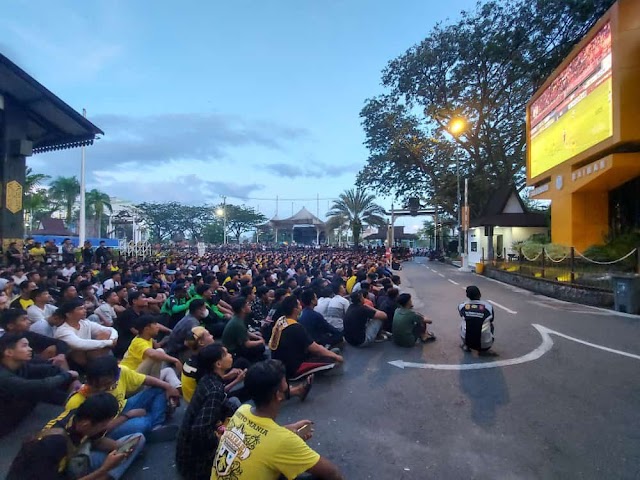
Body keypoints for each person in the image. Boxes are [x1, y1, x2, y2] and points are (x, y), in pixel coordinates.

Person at [211, 359, 344, 480]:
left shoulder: (242, 411)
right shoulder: (283, 441)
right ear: (278, 395)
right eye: (285, 382)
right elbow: (332, 473)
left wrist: (287, 430)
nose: (288, 385)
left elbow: (259, 438)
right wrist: (288, 438)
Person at [7, 392, 145, 480]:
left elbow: (96, 440)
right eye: (103, 424)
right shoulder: (51, 445)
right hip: (48, 474)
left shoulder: (81, 416)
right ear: (86, 424)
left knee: (138, 438)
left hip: (71, 463)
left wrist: (119, 449)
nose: (105, 427)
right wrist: (105, 468)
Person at [63, 355, 181, 441]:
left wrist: (169, 387)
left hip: (124, 406)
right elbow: (91, 433)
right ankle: (151, 422)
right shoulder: (77, 401)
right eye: (97, 385)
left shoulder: (121, 372)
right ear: (89, 380)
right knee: (141, 423)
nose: (103, 388)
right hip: (106, 429)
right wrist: (128, 416)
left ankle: (156, 425)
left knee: (159, 388)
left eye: (107, 383)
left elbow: (145, 379)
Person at [175, 344, 238, 480]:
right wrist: (221, 440)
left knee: (235, 405)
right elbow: (199, 430)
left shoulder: (207, 378)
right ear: (218, 364)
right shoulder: (215, 390)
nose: (230, 355)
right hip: (194, 463)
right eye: (226, 353)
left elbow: (223, 405)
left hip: (184, 452)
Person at [0, 333, 79, 437]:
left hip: (15, 409)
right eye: (24, 346)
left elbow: (49, 369)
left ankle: (74, 401)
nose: (30, 349)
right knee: (38, 389)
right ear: (9, 352)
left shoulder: (20, 365)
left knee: (47, 384)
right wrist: (68, 375)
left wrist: (71, 378)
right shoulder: (3, 376)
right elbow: (40, 386)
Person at [270, 295, 343, 380]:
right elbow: (315, 348)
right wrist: (336, 357)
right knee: (332, 360)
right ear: (295, 310)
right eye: (299, 305)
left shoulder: (280, 321)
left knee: (328, 352)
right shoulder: (295, 327)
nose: (301, 307)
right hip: (292, 369)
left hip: (279, 365)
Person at [181, 326, 247, 403]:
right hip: (202, 402)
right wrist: (237, 380)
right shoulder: (202, 366)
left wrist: (227, 376)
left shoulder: (194, 359)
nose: (212, 336)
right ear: (201, 343)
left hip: (199, 393)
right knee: (246, 391)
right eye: (209, 335)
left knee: (241, 362)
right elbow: (215, 391)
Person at [119, 315, 182, 389]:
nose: (158, 327)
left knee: (169, 370)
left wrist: (166, 338)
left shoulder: (148, 339)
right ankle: (155, 386)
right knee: (159, 352)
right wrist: (175, 360)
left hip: (141, 376)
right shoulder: (138, 342)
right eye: (155, 325)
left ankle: (178, 388)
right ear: (146, 329)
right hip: (131, 382)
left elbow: (158, 346)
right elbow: (153, 354)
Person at [55, 299, 118, 367]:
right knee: (78, 352)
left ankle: (102, 366)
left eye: (84, 308)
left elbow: (111, 329)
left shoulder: (85, 323)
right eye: (80, 309)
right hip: (73, 361)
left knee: (105, 334)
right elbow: (79, 344)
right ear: (68, 314)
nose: (85, 311)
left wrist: (112, 339)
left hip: (89, 354)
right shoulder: (63, 330)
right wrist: (109, 342)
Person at [2, 308, 70, 366]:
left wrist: (61, 355)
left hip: (33, 363)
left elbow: (60, 342)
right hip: (16, 370)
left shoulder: (27, 334)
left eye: (28, 319)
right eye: (24, 319)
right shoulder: (3, 341)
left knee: (55, 351)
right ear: (10, 326)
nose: (29, 322)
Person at [222, 296, 266, 363]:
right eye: (247, 305)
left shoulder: (238, 318)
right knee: (260, 347)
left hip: (235, 345)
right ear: (243, 309)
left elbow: (245, 332)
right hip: (233, 351)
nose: (249, 306)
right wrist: (261, 341)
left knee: (257, 339)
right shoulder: (238, 323)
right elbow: (247, 344)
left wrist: (256, 336)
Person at [458, 285, 496, 354]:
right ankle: (484, 350)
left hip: (466, 340)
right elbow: (491, 319)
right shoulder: (488, 307)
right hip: (485, 343)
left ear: (467, 296)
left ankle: (466, 345)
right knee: (490, 324)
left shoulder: (462, 306)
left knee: (464, 321)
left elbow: (462, 315)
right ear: (480, 294)